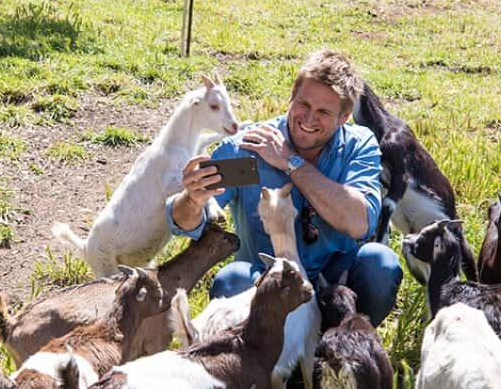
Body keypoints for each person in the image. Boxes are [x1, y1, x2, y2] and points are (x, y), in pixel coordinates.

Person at [166, 50, 403, 326]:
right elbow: (184, 223)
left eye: (324, 112)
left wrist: (290, 161)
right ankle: (256, 361)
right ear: (292, 95)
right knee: (231, 280)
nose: (309, 119)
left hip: (335, 284)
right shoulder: (249, 149)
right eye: (303, 104)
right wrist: (192, 201)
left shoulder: (357, 146)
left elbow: (359, 222)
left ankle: (340, 351)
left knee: (380, 265)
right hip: (267, 282)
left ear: (344, 116)